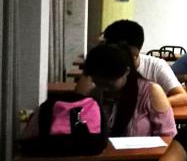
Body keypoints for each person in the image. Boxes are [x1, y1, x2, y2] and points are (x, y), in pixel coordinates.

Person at [25, 42, 175, 139]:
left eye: (109, 84)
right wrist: (79, 98)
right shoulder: (90, 90)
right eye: (98, 82)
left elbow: (168, 137)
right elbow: (71, 131)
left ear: (127, 72)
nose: (103, 88)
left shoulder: (150, 91)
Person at [102, 19, 187, 107]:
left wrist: (147, 106)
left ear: (136, 52)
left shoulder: (156, 66)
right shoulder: (101, 66)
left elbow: (183, 98)